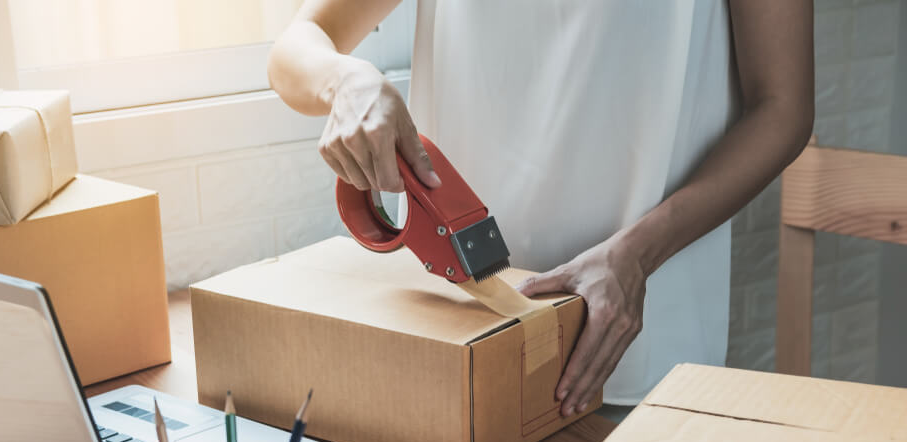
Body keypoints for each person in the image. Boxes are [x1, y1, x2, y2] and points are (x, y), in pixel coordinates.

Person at [268, 1, 813, 418]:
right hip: (456, 337)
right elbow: (297, 46)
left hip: (632, 347)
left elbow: (782, 108)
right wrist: (347, 80)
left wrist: (637, 255)